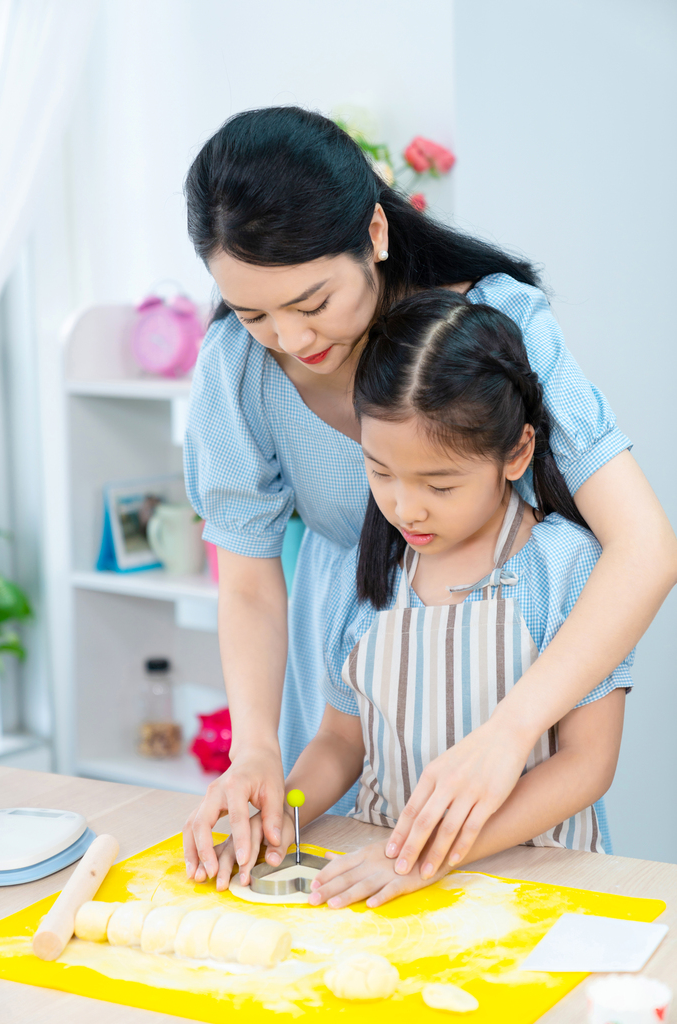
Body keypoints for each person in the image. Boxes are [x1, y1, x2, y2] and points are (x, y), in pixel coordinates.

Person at [182, 106, 676, 889]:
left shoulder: (496, 325)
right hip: (357, 626)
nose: (288, 339)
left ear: (374, 234)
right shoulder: (238, 366)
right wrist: (258, 752)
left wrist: (509, 732)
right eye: (252, 312)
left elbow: (643, 545)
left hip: (522, 703)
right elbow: (248, 582)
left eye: (311, 303)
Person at [210, 290, 630, 906]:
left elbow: (586, 766)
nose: (406, 507)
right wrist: (277, 810)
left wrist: (420, 859)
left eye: (439, 483)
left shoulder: (563, 564)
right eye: (380, 472)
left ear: (516, 453)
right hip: (388, 883)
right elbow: (339, 741)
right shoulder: (370, 570)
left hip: (534, 882)